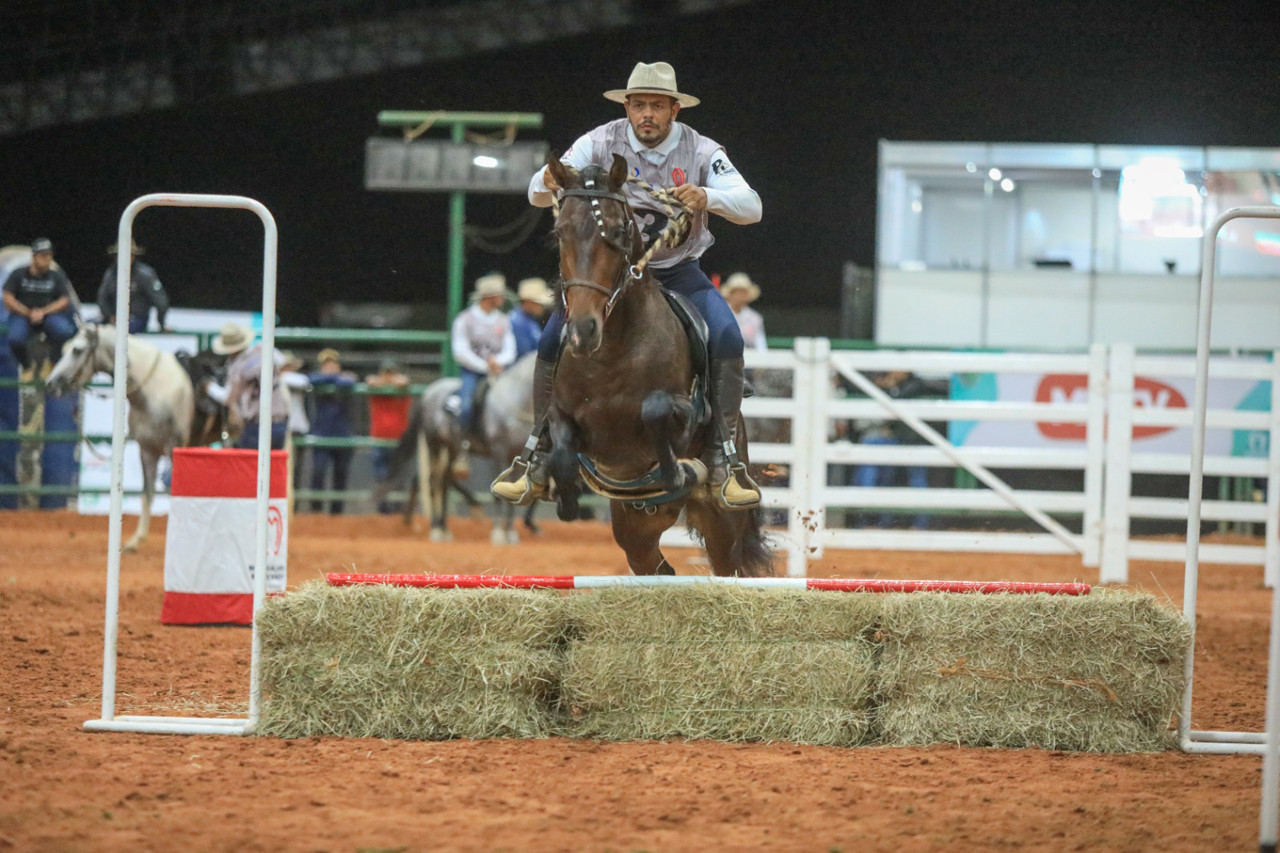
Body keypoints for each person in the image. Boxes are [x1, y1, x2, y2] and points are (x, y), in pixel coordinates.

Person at [493, 61, 763, 509]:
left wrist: (708, 196)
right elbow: (536, 194)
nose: (647, 115)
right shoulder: (598, 141)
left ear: (675, 109)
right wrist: (548, 181)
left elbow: (752, 206)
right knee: (549, 339)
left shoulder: (702, 150)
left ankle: (725, 457)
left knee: (728, 335)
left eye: (657, 106)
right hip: (608, 275)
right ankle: (535, 455)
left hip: (676, 268)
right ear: (627, 106)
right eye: (639, 105)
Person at [447, 272, 516, 433]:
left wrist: (498, 362)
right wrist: (486, 366)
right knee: (465, 406)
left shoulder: (503, 320)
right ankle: (464, 438)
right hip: (472, 372)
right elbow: (460, 352)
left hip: (499, 371)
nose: (502, 298)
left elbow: (510, 349)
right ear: (489, 297)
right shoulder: (464, 319)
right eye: (499, 295)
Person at [207, 322, 290, 450]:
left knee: (249, 465)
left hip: (256, 424)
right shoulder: (265, 350)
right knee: (275, 463)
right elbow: (284, 363)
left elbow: (228, 398)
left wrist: (209, 387)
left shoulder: (237, 368)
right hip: (279, 421)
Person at [2, 238, 78, 371]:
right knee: (15, 338)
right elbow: (7, 297)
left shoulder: (56, 276)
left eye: (49, 255)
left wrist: (43, 312)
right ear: (34, 256)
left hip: (48, 315)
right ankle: (26, 365)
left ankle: (53, 360)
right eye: (42, 255)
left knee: (65, 330)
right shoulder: (19, 274)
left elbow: (64, 300)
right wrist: (28, 312)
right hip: (23, 315)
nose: (46, 259)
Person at [307, 348, 357, 514]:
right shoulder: (318, 379)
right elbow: (313, 380)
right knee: (318, 472)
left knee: (341, 474)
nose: (330, 367)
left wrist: (333, 379)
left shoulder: (345, 380)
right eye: (326, 365)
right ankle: (316, 511)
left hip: (343, 433)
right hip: (322, 433)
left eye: (333, 364)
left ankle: (336, 513)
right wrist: (334, 378)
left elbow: (350, 381)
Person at [366, 358, 412, 514]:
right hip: (380, 439)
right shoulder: (377, 392)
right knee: (381, 475)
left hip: (400, 441)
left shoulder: (402, 391)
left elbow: (404, 382)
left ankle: (399, 510)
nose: (389, 376)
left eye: (391, 373)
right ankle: (383, 509)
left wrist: (391, 382)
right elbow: (370, 381)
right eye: (386, 373)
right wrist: (385, 382)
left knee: (399, 476)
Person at [97, 239, 169, 333]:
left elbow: (161, 302)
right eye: (120, 254)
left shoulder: (145, 275)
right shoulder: (110, 274)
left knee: (120, 331)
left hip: (136, 319)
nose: (124, 257)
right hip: (113, 318)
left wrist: (161, 323)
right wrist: (109, 316)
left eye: (129, 254)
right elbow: (102, 298)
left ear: (133, 256)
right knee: (89, 328)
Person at [721, 272, 767, 353]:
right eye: (736, 292)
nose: (739, 296)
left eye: (742, 292)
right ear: (730, 294)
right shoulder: (719, 315)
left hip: (750, 361)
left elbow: (760, 344)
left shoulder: (755, 318)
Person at [510, 277, 554, 358]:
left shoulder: (529, 319)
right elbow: (525, 354)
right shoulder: (517, 322)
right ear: (529, 302)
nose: (542, 307)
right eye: (540, 304)